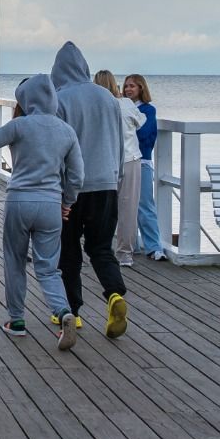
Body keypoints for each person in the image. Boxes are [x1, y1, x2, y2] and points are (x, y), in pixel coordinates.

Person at [0, 77, 82, 349]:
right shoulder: (66, 131)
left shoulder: (20, 125)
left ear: (27, 99)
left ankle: (16, 321)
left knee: (15, 261)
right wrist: (68, 202)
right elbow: (77, 175)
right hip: (51, 204)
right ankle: (63, 312)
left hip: (19, 201)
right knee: (49, 267)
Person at [50, 42, 130, 338]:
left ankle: (73, 312)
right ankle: (114, 295)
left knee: (68, 249)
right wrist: (116, 177)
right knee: (100, 247)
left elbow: (58, 148)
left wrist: (58, 189)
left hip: (73, 187)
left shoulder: (60, 100)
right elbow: (119, 143)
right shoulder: (108, 98)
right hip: (106, 184)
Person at [98, 69, 145, 266]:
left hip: (105, 160)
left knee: (103, 209)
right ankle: (124, 253)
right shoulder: (125, 104)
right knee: (128, 208)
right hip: (129, 158)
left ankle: (101, 249)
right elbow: (141, 121)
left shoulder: (97, 105)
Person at [123, 74, 163, 259]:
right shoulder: (122, 107)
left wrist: (129, 129)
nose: (128, 89)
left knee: (145, 205)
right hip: (125, 160)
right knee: (124, 206)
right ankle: (132, 244)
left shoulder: (148, 109)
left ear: (141, 88)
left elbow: (145, 134)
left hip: (143, 161)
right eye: (126, 86)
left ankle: (154, 247)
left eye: (132, 86)